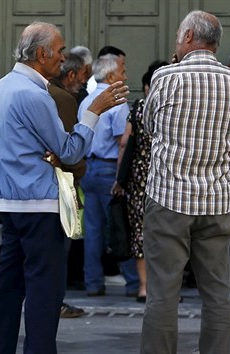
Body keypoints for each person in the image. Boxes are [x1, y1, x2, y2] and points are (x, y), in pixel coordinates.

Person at [0, 21, 129, 354]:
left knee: (8, 284)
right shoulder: (33, 93)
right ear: (41, 53)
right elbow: (70, 150)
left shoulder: (4, 86)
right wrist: (94, 111)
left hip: (10, 200)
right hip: (38, 203)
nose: (63, 58)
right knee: (44, 291)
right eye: (59, 51)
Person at [140, 10, 230, 354]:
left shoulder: (166, 77)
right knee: (217, 293)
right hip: (217, 198)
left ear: (187, 38)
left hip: (169, 195)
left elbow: (149, 126)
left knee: (163, 293)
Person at [78, 53, 139, 298]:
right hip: (107, 168)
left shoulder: (86, 101)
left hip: (88, 167)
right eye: (122, 72)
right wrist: (121, 178)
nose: (125, 76)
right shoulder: (116, 100)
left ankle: (92, 282)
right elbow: (122, 142)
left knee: (93, 230)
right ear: (111, 75)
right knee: (118, 225)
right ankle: (135, 282)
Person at [112, 60, 168, 303]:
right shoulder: (174, 107)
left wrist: (119, 178)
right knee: (168, 233)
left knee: (140, 231)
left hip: (139, 179)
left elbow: (125, 143)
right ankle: (167, 289)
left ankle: (144, 287)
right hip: (168, 177)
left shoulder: (139, 107)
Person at [48, 53, 87, 318]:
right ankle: (53, 301)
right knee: (57, 251)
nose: (85, 83)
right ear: (71, 75)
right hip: (60, 182)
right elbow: (71, 149)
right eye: (83, 76)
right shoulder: (62, 98)